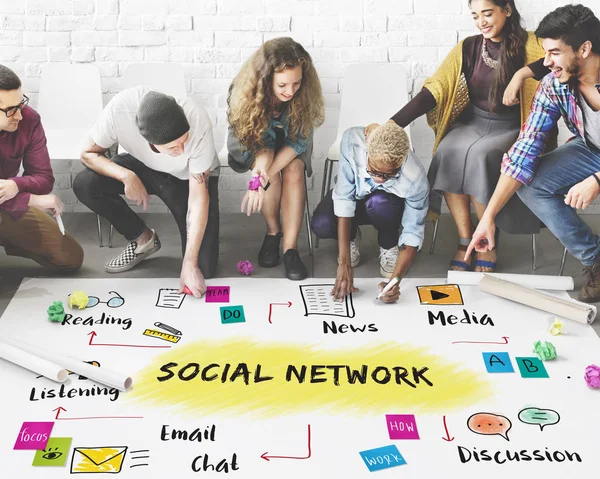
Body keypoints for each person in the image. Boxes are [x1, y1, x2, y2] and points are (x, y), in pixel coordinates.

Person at [368, 0, 553, 273]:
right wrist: (393, 125)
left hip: (514, 126)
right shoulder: (468, 47)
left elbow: (558, 60)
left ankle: (486, 241)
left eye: (488, 13)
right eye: (476, 16)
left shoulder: (534, 43)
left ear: (508, 9)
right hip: (473, 121)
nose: (482, 22)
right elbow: (435, 89)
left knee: (479, 155)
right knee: (447, 150)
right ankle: (466, 240)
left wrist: (522, 74)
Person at [467, 4, 600, 303]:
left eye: (554, 52)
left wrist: (597, 180)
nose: (546, 62)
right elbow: (525, 148)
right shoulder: (555, 85)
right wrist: (488, 217)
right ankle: (596, 259)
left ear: (584, 49)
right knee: (532, 184)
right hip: (591, 149)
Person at [74, 86, 219, 298]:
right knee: (85, 183)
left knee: (203, 268)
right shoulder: (119, 110)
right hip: (142, 166)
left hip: (187, 177)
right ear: (150, 142)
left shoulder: (198, 120)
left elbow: (198, 198)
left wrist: (189, 264)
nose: (181, 150)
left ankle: (192, 261)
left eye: (184, 140)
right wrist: (126, 176)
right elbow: (87, 154)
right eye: (173, 147)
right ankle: (143, 238)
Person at [226, 37, 325, 281]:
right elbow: (260, 146)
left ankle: (290, 249)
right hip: (252, 143)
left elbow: (299, 141)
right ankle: (273, 232)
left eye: (297, 83)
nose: (290, 91)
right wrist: (262, 172)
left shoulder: (304, 95)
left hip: (292, 142)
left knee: (293, 170)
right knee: (269, 172)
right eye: (282, 84)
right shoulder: (243, 93)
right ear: (266, 78)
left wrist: (263, 177)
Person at [311, 121, 429, 304]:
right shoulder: (352, 141)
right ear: (367, 152)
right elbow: (344, 198)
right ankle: (351, 236)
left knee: (379, 201)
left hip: (386, 209)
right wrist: (345, 263)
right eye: (373, 171)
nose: (379, 179)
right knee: (322, 224)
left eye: (388, 175)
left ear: (401, 162)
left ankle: (389, 243)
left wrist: (395, 281)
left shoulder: (415, 178)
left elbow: (412, 232)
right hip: (355, 199)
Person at [0, 64, 83, 272]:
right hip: (14, 202)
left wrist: (15, 186)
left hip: (9, 204)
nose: (19, 115)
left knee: (71, 257)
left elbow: (44, 178)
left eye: (21, 104)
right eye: (10, 110)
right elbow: (35, 195)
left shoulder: (29, 119)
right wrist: (31, 199)